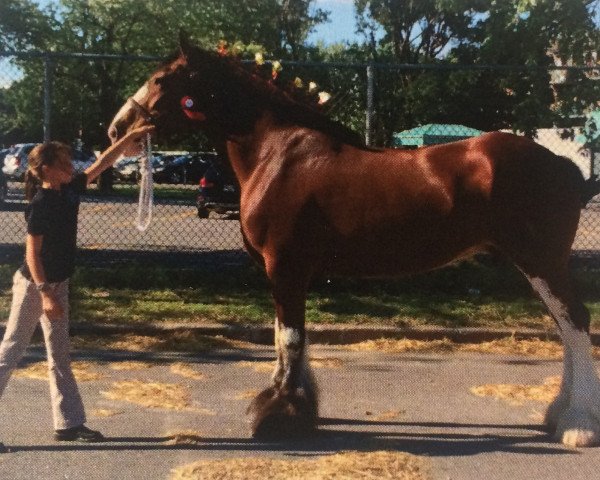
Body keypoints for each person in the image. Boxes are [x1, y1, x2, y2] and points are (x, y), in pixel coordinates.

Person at [0, 126, 154, 451]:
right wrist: (44, 293)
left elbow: (101, 163)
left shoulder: (68, 189)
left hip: (57, 282)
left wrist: (129, 138)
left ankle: (68, 424)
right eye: (65, 161)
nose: (72, 166)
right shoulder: (41, 203)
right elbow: (32, 252)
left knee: (60, 356)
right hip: (34, 285)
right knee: (11, 350)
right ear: (46, 169)